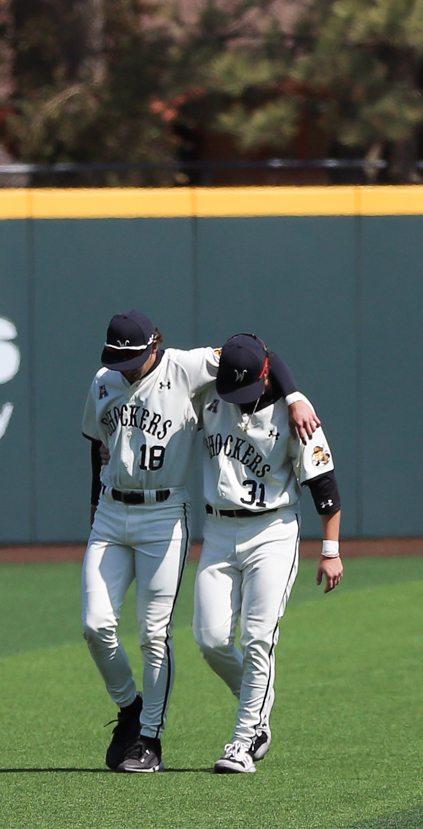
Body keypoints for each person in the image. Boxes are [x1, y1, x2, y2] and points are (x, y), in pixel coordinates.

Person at [81, 312, 319, 773]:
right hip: (111, 512)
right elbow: (97, 442)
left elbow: (257, 353)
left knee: (154, 634)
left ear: (154, 347)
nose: (124, 366)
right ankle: (129, 707)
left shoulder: (188, 366)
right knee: (95, 625)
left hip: (164, 512)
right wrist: (94, 503)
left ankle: (150, 738)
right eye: (117, 357)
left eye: (132, 357)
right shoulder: (103, 380)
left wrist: (294, 394)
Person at [192, 332, 344, 774]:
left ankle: (244, 740)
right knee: (210, 639)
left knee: (258, 638)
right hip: (217, 531)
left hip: (273, 531)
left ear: (264, 375)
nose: (237, 397)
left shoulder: (296, 414)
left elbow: (325, 486)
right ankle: (258, 702)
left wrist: (330, 550)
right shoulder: (211, 396)